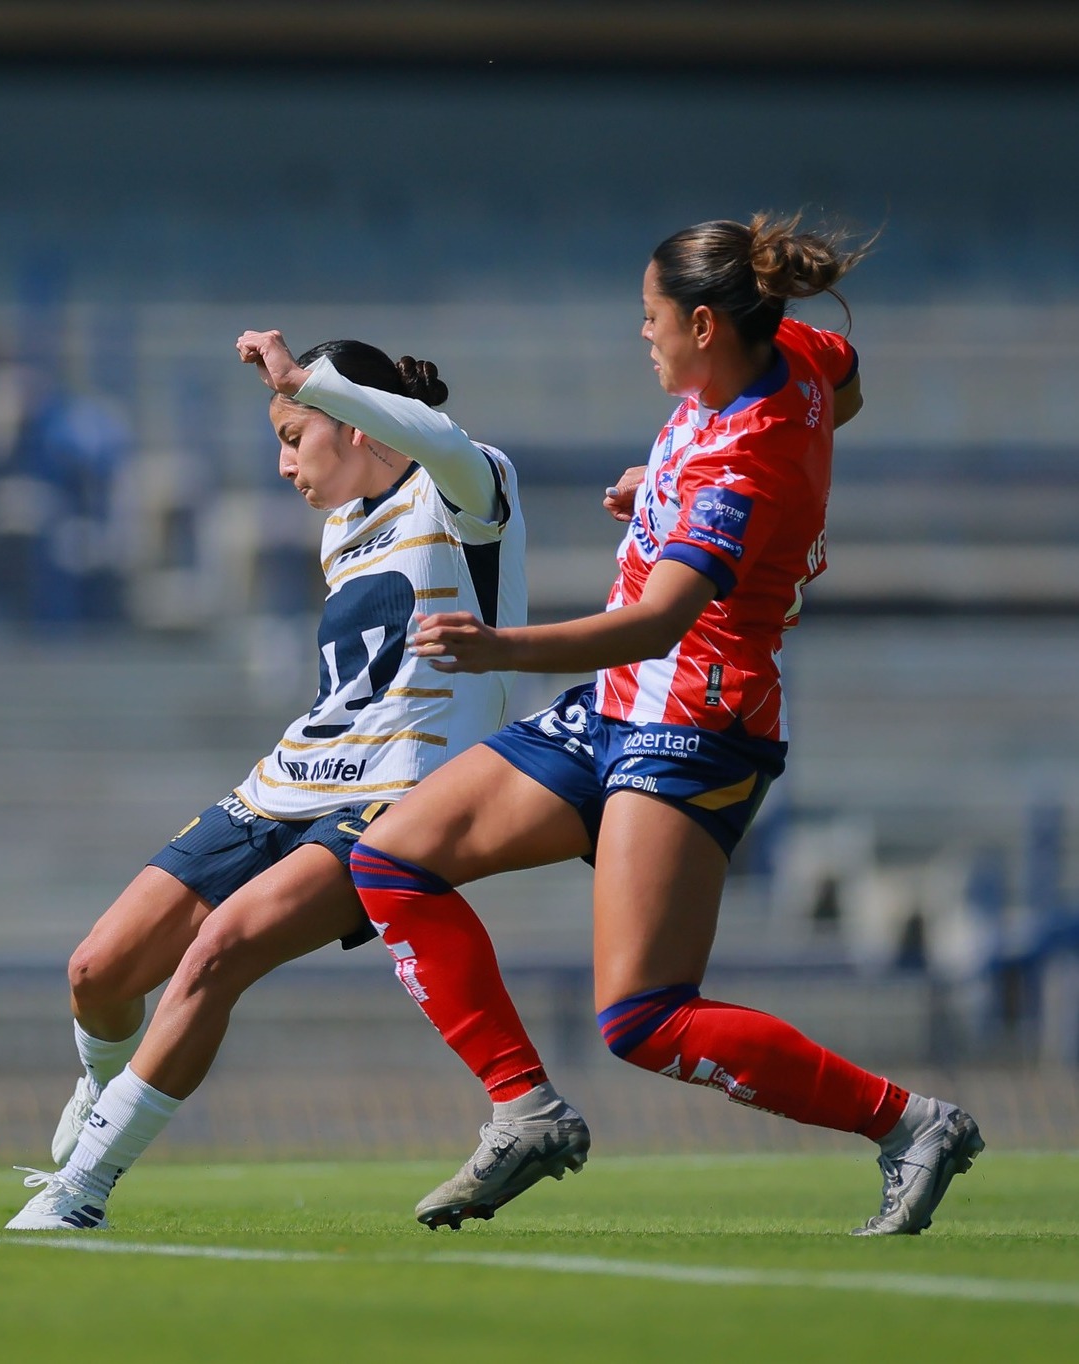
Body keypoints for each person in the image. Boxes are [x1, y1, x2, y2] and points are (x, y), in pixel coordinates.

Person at [351, 213, 984, 1236]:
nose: (639, 333)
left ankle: (909, 1122)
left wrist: (497, 645)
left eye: (649, 316)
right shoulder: (784, 348)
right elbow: (845, 387)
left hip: (694, 722)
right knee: (390, 860)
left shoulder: (742, 463)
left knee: (643, 1017)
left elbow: (656, 622)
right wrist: (663, 493)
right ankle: (524, 1109)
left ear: (701, 324)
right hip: (620, 706)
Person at [6, 328, 527, 1229]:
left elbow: (437, 441)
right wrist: (303, 397)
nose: (285, 465)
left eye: (294, 437)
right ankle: (100, 1094)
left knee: (221, 951)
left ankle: (81, 1189)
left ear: (354, 423)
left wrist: (302, 377)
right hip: (286, 784)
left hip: (394, 800)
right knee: (98, 970)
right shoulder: (341, 530)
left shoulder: (463, 488)